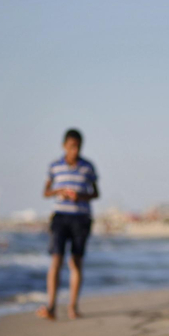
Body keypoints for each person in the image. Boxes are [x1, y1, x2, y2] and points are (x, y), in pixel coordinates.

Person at [37, 129, 99, 320]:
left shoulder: (87, 166)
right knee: (56, 259)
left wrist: (80, 196)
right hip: (60, 217)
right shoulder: (55, 166)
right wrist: (59, 191)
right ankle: (51, 306)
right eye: (72, 146)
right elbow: (45, 192)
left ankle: (73, 307)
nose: (75, 150)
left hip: (81, 218)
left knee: (76, 262)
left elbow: (96, 193)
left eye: (78, 146)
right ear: (64, 146)